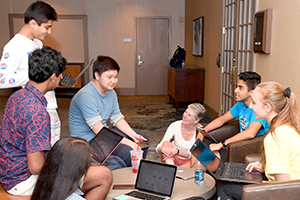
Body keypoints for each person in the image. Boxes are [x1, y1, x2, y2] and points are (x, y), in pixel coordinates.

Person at [0, 47, 112, 199]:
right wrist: (72, 162)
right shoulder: (37, 112)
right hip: (23, 181)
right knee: (104, 175)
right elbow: (35, 167)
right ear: (53, 78)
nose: (61, 79)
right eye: (60, 76)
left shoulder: (17, 96)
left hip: (8, 173)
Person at [217, 82, 300, 200]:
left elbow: (284, 187)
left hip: (291, 193)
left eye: (254, 102)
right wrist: (265, 167)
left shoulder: (275, 138)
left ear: (268, 107)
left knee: (225, 187)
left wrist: (259, 185)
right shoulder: (289, 126)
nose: (250, 106)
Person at [69, 55, 149, 167]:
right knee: (128, 151)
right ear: (97, 75)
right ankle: (120, 174)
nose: (113, 81)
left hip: (102, 134)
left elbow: (117, 119)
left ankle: (131, 172)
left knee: (141, 138)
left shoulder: (111, 92)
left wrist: (133, 135)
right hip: (87, 141)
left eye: (116, 77)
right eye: (109, 77)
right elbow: (98, 129)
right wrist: (128, 143)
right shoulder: (86, 96)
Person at [0, 1, 60, 146]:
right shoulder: (14, 46)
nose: (49, 32)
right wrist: (36, 74)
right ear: (33, 23)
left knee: (53, 150)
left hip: (50, 104)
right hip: (35, 108)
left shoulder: (38, 43)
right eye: (47, 27)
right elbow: (2, 80)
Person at [200, 72, 270, 160]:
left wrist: (222, 144)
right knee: (204, 145)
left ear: (251, 92)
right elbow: (222, 119)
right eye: (237, 87)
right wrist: (202, 131)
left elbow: (250, 133)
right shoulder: (240, 104)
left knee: (210, 155)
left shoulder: (259, 109)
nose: (235, 90)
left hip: (254, 145)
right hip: (239, 143)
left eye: (241, 88)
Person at [156, 103, 206, 168]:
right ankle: (171, 167)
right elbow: (159, 146)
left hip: (189, 162)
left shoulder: (201, 132)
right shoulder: (175, 125)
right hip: (172, 158)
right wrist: (162, 149)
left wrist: (177, 151)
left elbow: (192, 155)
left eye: (189, 115)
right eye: (185, 112)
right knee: (166, 143)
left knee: (197, 161)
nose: (185, 116)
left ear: (196, 121)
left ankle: (175, 171)